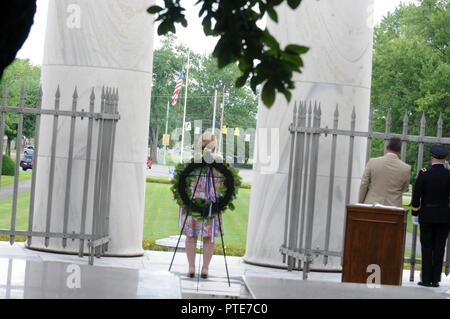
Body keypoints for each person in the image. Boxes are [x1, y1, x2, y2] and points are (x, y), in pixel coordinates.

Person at [181, 132, 222, 279]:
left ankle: (194, 267)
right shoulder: (218, 163)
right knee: (206, 238)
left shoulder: (194, 161)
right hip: (201, 203)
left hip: (202, 203)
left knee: (195, 237)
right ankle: (203, 268)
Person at [411, 144, 450, 288]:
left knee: (427, 247)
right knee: (439, 247)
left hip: (427, 214)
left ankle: (426, 279)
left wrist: (415, 212)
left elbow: (416, 195)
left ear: (432, 156)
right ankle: (435, 280)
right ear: (444, 158)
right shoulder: (448, 174)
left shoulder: (424, 172)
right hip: (444, 216)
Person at [359, 137, 411, 207]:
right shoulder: (406, 168)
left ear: (387, 148)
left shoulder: (372, 162)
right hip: (393, 207)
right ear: (400, 150)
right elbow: (405, 189)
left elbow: (364, 184)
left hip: (372, 205)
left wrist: (360, 202)